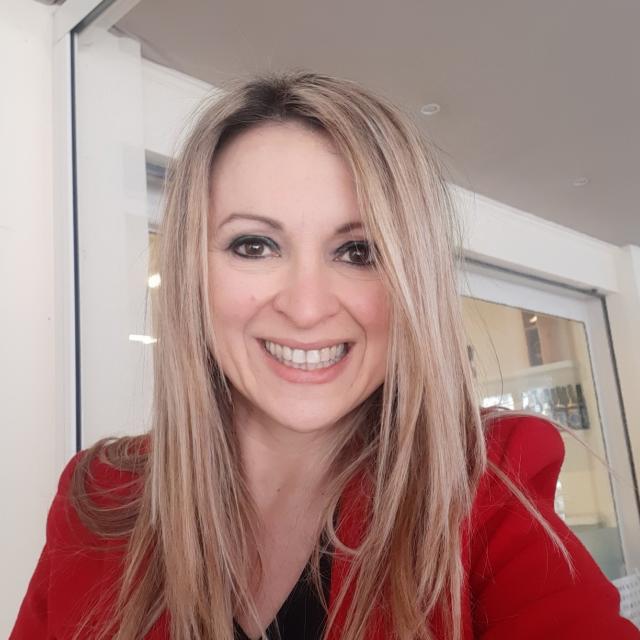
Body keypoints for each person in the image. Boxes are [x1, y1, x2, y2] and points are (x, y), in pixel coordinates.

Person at [11, 71, 639, 640]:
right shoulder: (99, 494)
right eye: (254, 246)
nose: (307, 308)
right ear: (191, 274)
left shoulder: (484, 484)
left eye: (358, 252)